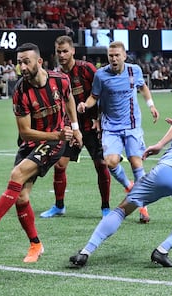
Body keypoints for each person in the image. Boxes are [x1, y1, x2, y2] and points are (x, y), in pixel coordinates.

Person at [0, 43, 83, 263]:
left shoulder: (60, 80)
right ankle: (36, 245)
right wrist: (58, 134)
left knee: (17, 175)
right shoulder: (20, 92)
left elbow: (68, 98)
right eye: (19, 63)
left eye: (26, 62)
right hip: (33, 142)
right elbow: (25, 132)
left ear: (39, 62)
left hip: (55, 142)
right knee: (21, 197)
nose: (22, 67)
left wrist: (74, 128)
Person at [70, 93, 172, 267]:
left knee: (123, 209)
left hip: (164, 172)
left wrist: (159, 145)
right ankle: (163, 250)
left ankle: (85, 252)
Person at [76, 41, 159, 223]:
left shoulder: (133, 71)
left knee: (137, 163)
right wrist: (84, 105)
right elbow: (94, 97)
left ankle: (143, 206)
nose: (113, 59)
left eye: (116, 55)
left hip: (132, 124)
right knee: (111, 162)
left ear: (124, 56)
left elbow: (143, 87)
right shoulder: (101, 75)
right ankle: (129, 185)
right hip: (111, 127)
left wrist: (151, 105)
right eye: (110, 56)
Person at [40, 36, 111, 218]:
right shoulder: (56, 75)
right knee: (60, 166)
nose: (62, 55)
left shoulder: (86, 69)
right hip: (71, 127)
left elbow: (103, 92)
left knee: (101, 165)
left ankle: (105, 208)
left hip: (92, 125)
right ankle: (59, 206)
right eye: (59, 52)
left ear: (73, 51)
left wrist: (99, 119)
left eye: (65, 51)